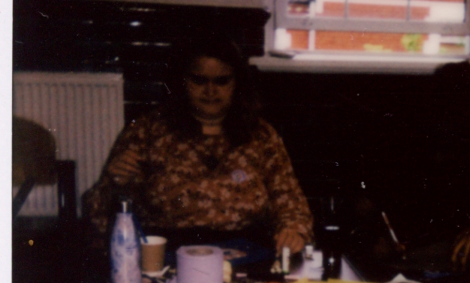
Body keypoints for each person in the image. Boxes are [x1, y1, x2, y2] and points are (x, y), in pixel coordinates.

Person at [84, 33, 313, 260]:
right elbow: (98, 217)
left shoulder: (261, 135)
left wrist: (293, 230)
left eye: (222, 81)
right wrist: (113, 184)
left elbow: (292, 204)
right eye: (199, 80)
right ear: (182, 81)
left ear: (237, 83)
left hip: (248, 254)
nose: (210, 91)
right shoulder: (148, 131)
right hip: (168, 255)